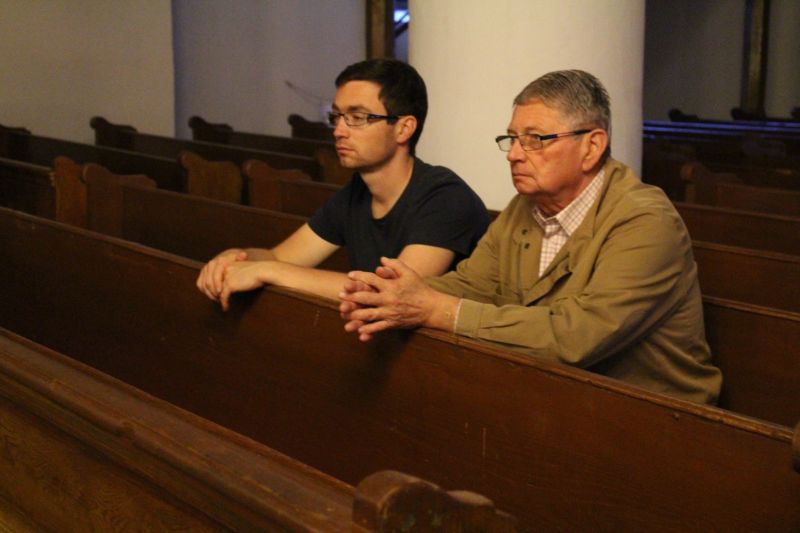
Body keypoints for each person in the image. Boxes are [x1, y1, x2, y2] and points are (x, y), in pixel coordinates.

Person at [339, 70, 722, 404]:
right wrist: (390, 295)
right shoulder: (525, 207)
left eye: (535, 139)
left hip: (658, 420)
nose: (514, 155)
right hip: (560, 398)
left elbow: (576, 338)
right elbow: (473, 284)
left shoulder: (645, 221)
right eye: (512, 139)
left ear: (591, 146)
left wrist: (437, 310)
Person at [196, 59, 489, 309]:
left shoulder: (446, 198)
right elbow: (279, 256)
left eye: (357, 117)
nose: (338, 131)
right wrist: (237, 258)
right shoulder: (355, 194)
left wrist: (268, 271)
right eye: (337, 116)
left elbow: (392, 294)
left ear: (403, 128)